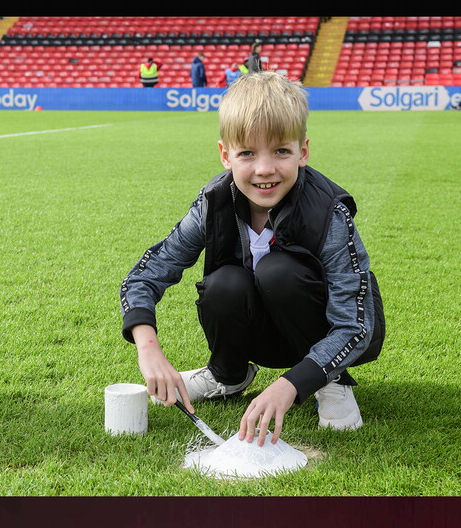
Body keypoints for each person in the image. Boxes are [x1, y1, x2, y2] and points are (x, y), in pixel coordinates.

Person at [119, 72, 385, 447]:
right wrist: (148, 350)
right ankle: (228, 375)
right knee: (224, 283)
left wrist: (293, 383)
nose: (264, 169)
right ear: (225, 155)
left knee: (279, 270)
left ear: (303, 152)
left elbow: (355, 326)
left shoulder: (328, 213)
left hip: (327, 331)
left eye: (280, 151)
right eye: (247, 153)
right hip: (260, 331)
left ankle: (330, 380)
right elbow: (144, 277)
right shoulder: (213, 202)